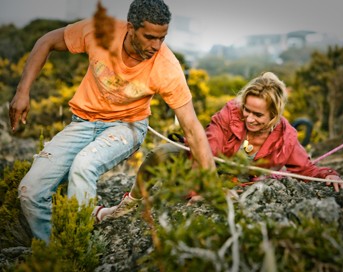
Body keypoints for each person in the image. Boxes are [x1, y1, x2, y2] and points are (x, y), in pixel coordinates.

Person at [8, 0, 215, 243]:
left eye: (162, 38)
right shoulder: (99, 31)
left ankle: (77, 244)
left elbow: (191, 126)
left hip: (127, 127)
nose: (156, 45)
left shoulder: (166, 67)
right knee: (29, 191)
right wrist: (22, 92)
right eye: (149, 37)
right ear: (130, 27)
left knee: (84, 166)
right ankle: (56, 251)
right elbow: (47, 41)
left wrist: (212, 188)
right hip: (83, 122)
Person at [94, 71, 343, 222]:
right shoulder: (229, 114)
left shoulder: (286, 137)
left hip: (237, 183)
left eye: (258, 115)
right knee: (159, 154)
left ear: (274, 115)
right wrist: (203, 191)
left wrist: (328, 174)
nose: (249, 118)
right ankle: (130, 202)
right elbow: (206, 150)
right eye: (247, 110)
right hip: (205, 170)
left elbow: (305, 168)